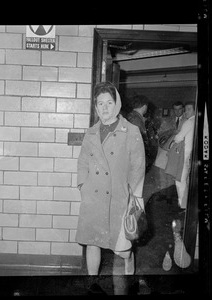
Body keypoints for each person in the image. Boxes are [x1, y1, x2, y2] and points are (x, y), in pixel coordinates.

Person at [75, 82, 145, 292]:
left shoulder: (130, 130)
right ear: (95, 107)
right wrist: (82, 185)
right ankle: (92, 284)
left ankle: (128, 262)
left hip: (119, 198)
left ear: (117, 104)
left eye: (109, 102)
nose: (104, 108)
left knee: (122, 249)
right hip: (93, 197)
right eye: (100, 103)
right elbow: (82, 162)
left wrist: (133, 195)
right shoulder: (91, 132)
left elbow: (138, 167)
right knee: (92, 242)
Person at [166, 101, 196, 209]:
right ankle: (186, 204)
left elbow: (178, 137)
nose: (186, 112)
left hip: (184, 156)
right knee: (185, 180)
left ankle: (183, 206)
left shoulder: (189, 122)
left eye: (189, 109)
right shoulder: (195, 121)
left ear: (195, 110)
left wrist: (173, 140)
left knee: (180, 181)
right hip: (190, 155)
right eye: (186, 109)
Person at [127, 95, 156, 173]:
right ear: (144, 106)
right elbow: (140, 141)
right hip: (136, 157)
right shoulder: (136, 120)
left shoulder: (132, 117)